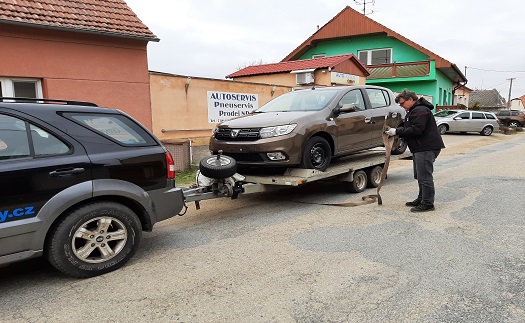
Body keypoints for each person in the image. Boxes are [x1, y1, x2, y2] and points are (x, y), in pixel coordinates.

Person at [384, 89, 445, 212]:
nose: (401, 106)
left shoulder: (420, 111)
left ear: (411, 99)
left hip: (425, 148)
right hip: (420, 148)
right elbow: (408, 126)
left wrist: (396, 131)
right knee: (420, 176)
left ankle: (428, 203)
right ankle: (421, 198)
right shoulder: (414, 111)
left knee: (425, 176)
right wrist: (397, 129)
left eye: (402, 103)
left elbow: (417, 129)